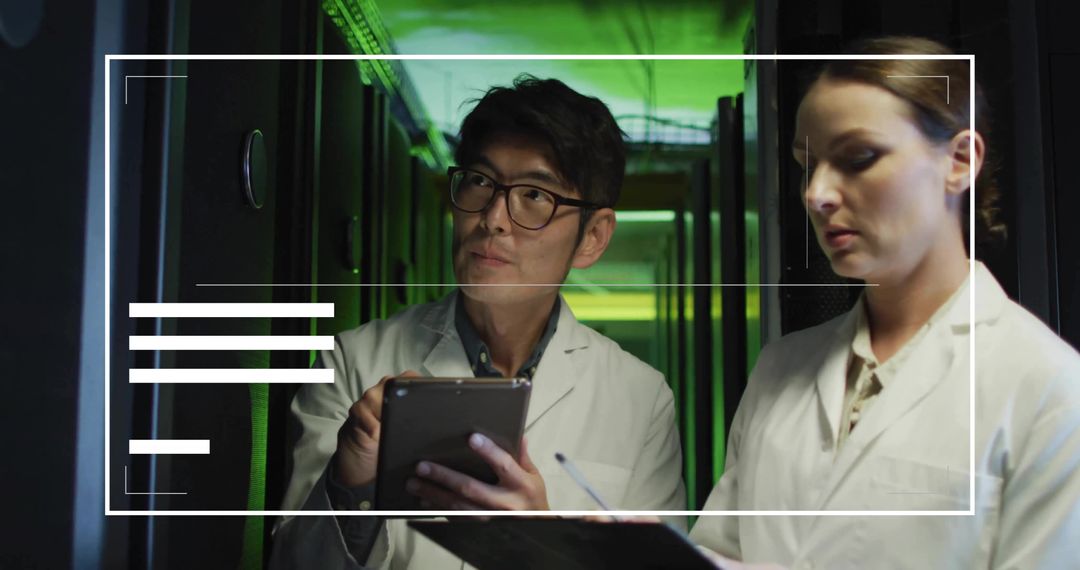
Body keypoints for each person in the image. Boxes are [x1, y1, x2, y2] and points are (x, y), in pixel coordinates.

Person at [690, 37, 1080, 569]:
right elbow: (724, 552)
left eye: (858, 158)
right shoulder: (780, 369)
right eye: (808, 164)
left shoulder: (1048, 387)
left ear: (960, 161)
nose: (817, 193)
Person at [269, 75, 686, 570]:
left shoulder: (641, 399)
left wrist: (544, 549)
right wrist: (348, 484)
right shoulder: (355, 362)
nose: (493, 218)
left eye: (534, 195)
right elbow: (288, 563)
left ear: (593, 237)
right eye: (480, 182)